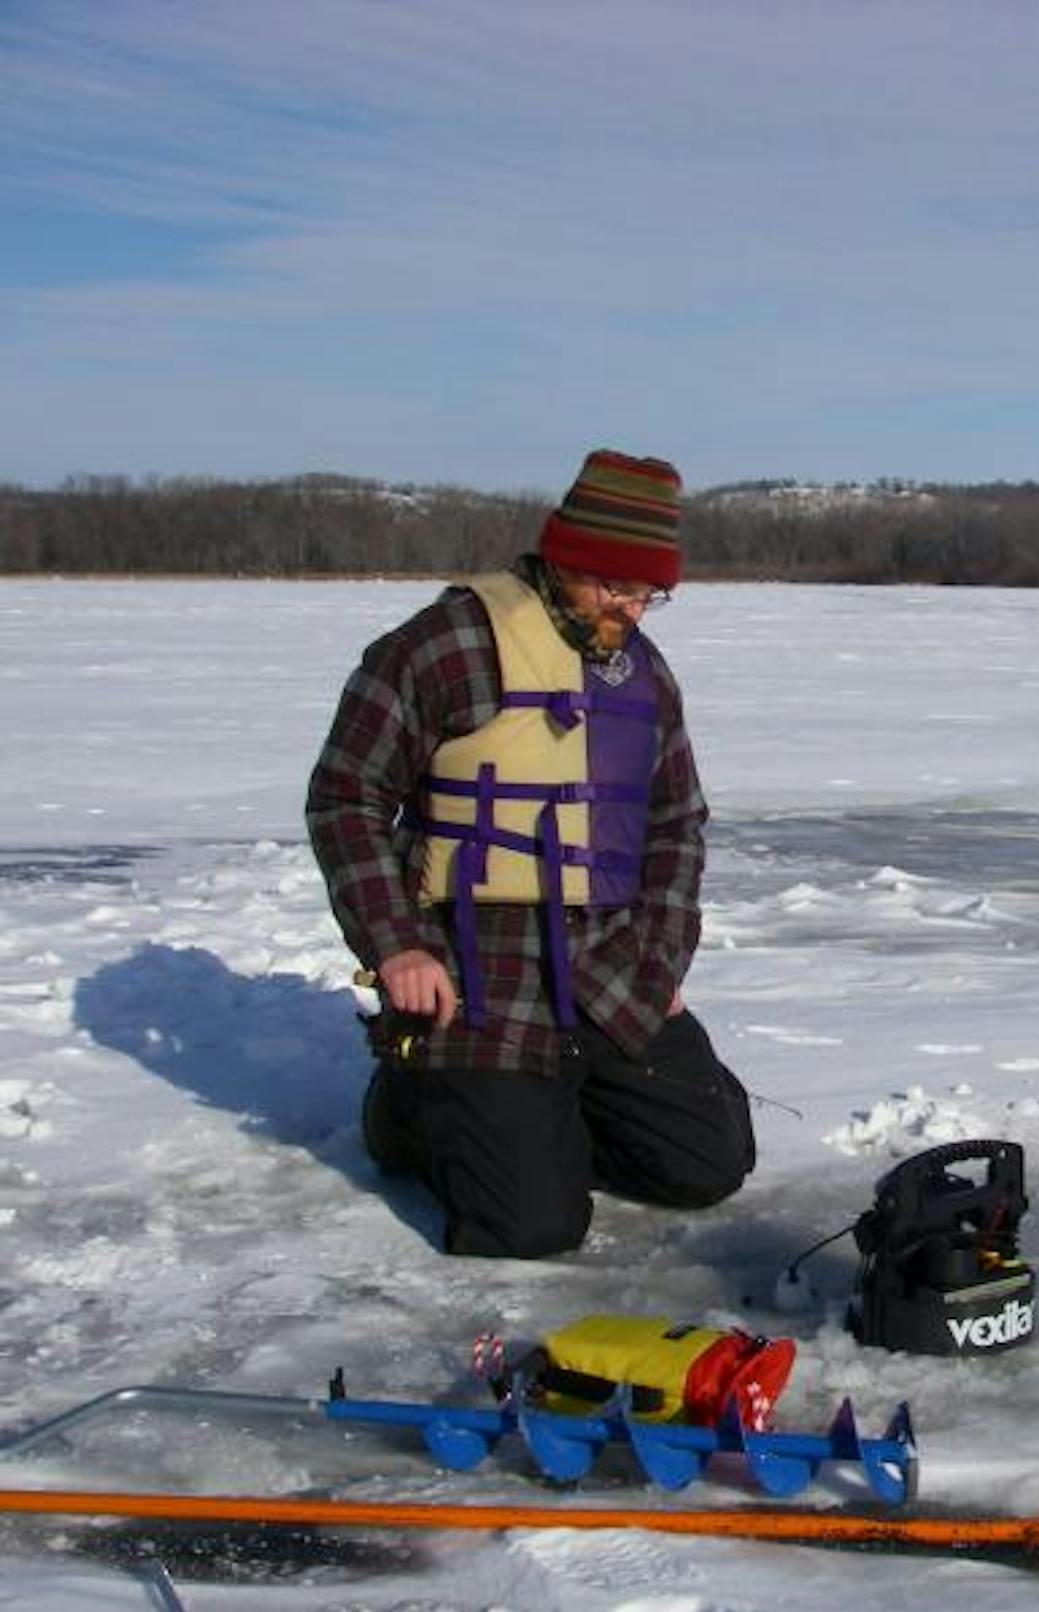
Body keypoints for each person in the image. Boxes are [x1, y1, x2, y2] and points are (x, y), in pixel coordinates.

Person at [306, 449, 754, 1257]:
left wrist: (662, 962)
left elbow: (676, 822)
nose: (630, 609)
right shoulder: (445, 646)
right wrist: (397, 945)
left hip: (606, 956)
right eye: (613, 587)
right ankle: (414, 1102)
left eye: (648, 593)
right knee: (530, 1225)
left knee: (709, 1163)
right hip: (480, 964)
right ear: (565, 557)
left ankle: (533, 1111)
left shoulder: (642, 674)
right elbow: (346, 797)